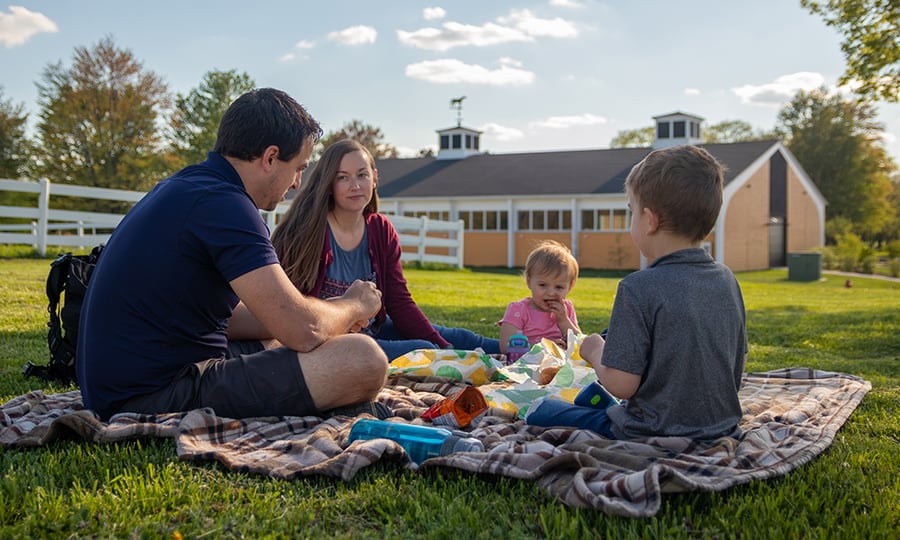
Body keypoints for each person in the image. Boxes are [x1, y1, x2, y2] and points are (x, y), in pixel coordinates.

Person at [77, 88, 389, 422]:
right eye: (298, 167)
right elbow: (304, 330)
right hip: (150, 393)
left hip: (125, 380)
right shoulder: (227, 205)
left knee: (276, 335)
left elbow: (253, 319)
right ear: (270, 158)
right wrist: (355, 304)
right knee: (364, 359)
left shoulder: (191, 187)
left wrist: (326, 317)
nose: (298, 183)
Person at [526, 144, 747, 440]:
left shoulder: (638, 287)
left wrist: (593, 350)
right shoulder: (727, 279)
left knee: (543, 410)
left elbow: (621, 385)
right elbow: (736, 364)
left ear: (650, 221)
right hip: (721, 425)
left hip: (652, 429)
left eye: (631, 211)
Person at [270, 139, 500, 361]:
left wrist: (445, 348)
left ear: (374, 178)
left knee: (459, 337)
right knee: (422, 349)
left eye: (362, 175)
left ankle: (523, 351)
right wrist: (440, 352)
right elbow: (291, 312)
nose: (355, 185)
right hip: (329, 342)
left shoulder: (380, 229)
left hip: (375, 329)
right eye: (343, 177)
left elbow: (398, 303)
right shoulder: (306, 232)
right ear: (329, 184)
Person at [498, 240, 581, 353]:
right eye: (543, 285)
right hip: (527, 365)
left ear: (570, 287)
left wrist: (563, 320)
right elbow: (505, 347)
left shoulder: (567, 309)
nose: (551, 292)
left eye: (559, 287)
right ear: (529, 281)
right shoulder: (518, 310)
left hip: (560, 366)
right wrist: (546, 348)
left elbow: (579, 344)